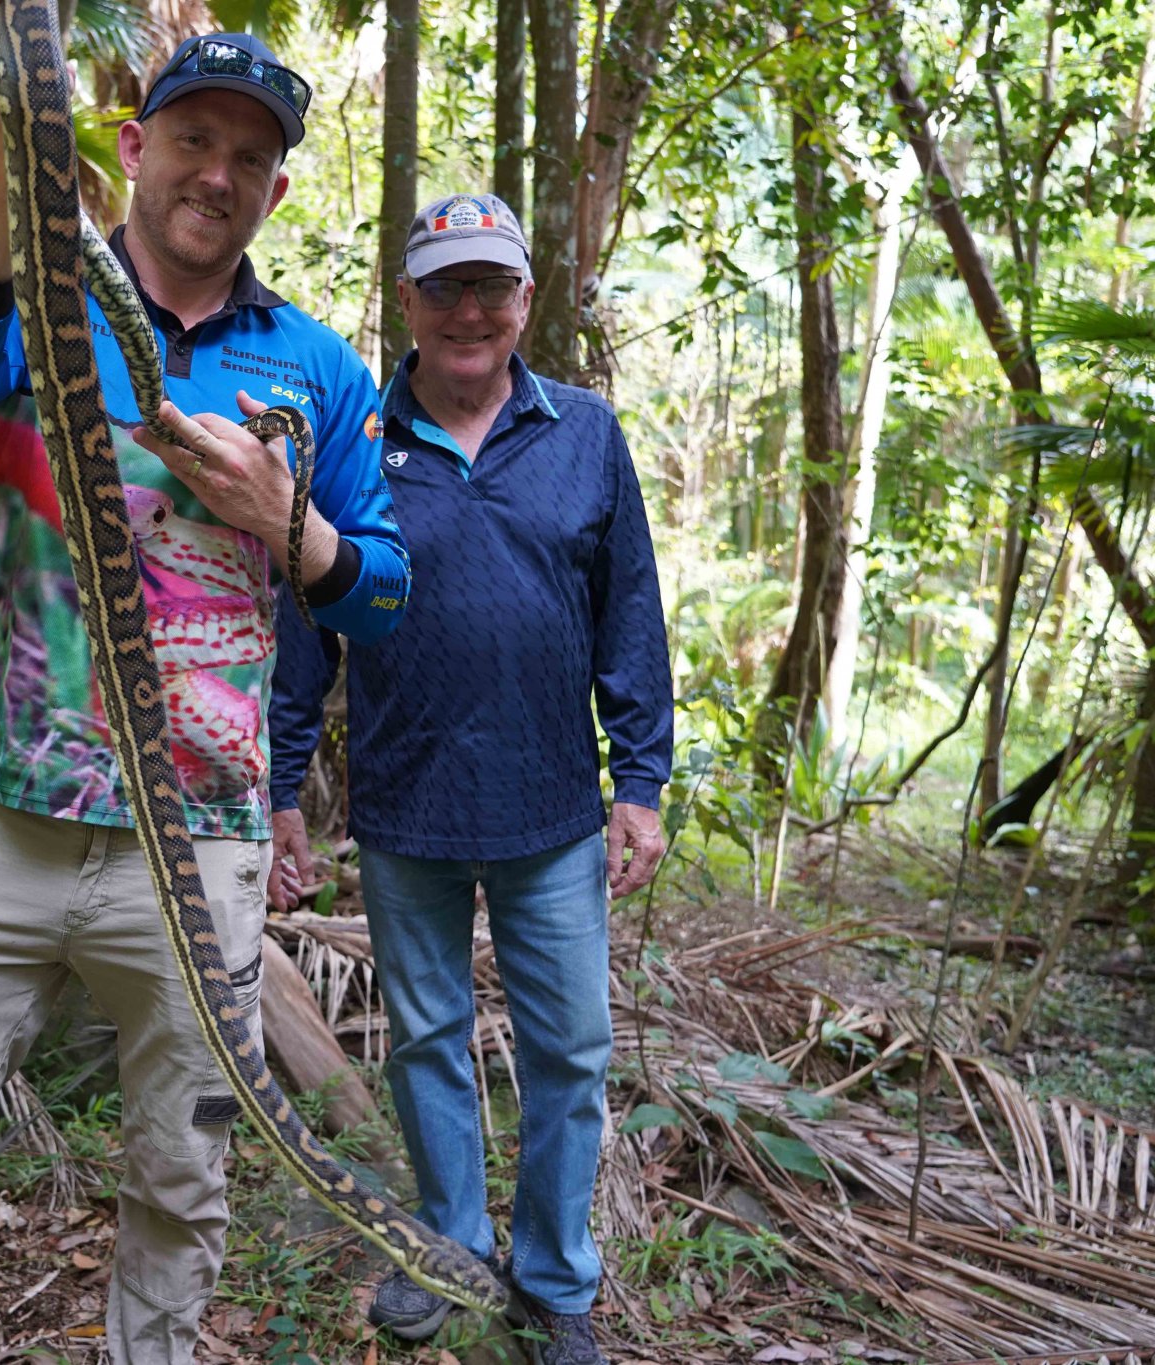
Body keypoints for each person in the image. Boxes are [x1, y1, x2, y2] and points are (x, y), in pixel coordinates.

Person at [0, 7, 410, 1362]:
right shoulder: (48, 297)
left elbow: (384, 596)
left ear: (277, 189)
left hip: (200, 845)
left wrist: (290, 520)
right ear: (137, 146)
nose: (217, 172)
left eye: (249, 157)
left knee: (184, 1173)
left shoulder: (319, 367)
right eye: (194, 138)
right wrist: (11, 131)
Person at [268, 194, 673, 1365]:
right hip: (407, 805)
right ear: (406, 300)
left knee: (570, 1053)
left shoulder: (583, 432)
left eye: (489, 286)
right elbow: (308, 622)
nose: (467, 309)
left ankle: (553, 1283)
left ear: (523, 302)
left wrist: (636, 779)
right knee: (428, 1037)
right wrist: (282, 784)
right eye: (443, 286)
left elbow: (627, 613)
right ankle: (444, 1253)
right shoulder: (354, 436)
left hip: (551, 812)